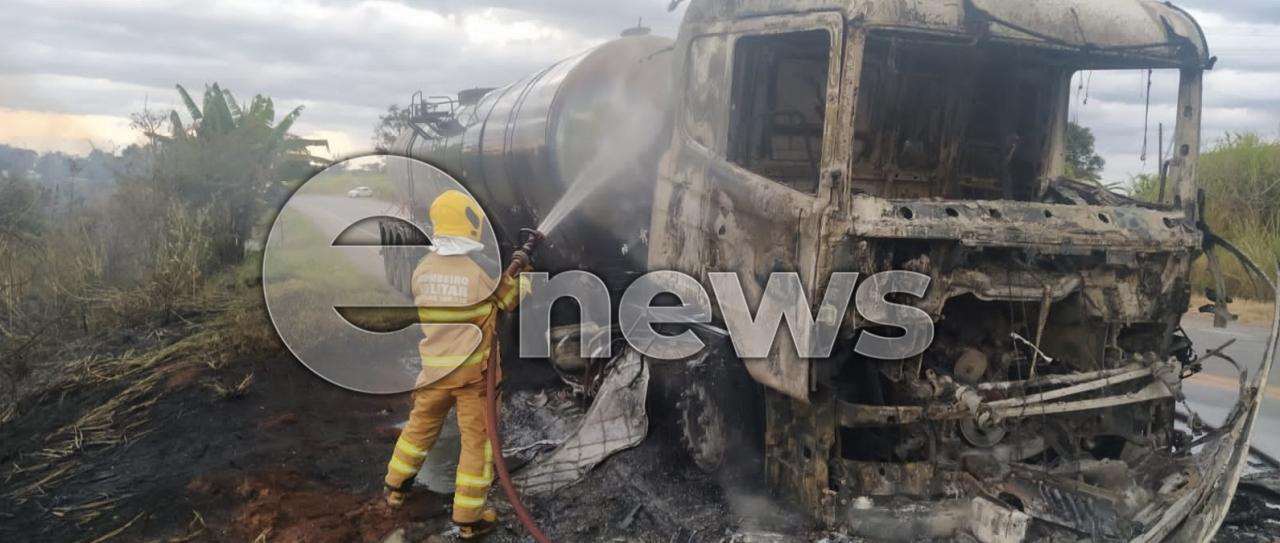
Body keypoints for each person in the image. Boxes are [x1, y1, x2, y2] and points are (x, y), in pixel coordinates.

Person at [383, 190, 531, 540]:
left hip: (433, 373)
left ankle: (395, 487)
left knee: (419, 429)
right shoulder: (476, 274)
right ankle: (469, 518)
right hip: (472, 379)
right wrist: (524, 275)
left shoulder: (423, 270)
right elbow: (508, 301)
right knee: (476, 443)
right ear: (470, 227)